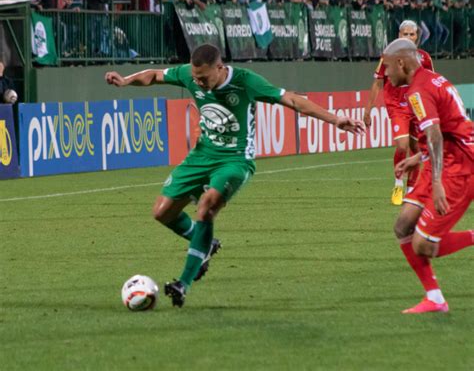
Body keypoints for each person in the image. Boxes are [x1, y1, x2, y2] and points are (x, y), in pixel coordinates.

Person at [105, 43, 365, 308]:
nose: (199, 83)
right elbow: (155, 75)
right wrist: (126, 81)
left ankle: (183, 283)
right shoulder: (189, 73)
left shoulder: (245, 81)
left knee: (207, 205)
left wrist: (335, 120)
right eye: (195, 79)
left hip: (235, 159)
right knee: (162, 212)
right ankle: (205, 241)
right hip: (201, 155)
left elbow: (292, 100)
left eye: (204, 78)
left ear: (220, 68)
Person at [383, 38, 473, 314]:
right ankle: (434, 298)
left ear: (401, 62)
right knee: (403, 227)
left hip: (460, 166)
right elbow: (442, 131)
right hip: (445, 159)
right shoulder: (431, 79)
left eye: (387, 67)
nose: (386, 74)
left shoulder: (418, 91)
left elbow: (434, 135)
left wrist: (436, 182)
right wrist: (416, 158)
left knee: (423, 246)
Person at [364, 20, 434, 206]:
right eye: (405, 34)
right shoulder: (389, 56)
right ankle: (398, 184)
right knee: (402, 145)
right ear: (399, 35)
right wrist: (368, 110)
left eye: (412, 34)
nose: (409, 37)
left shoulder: (424, 58)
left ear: (417, 36)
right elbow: (378, 83)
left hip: (416, 107)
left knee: (417, 149)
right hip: (397, 106)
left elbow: (430, 85)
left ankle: (412, 191)